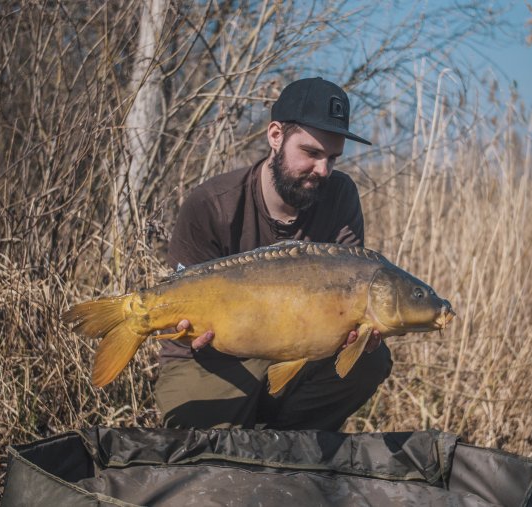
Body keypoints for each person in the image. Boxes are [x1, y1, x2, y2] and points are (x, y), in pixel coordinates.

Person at [154, 77, 392, 431]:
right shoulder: (212, 203)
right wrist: (186, 327)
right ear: (275, 135)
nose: (323, 171)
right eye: (311, 153)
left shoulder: (339, 196)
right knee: (208, 457)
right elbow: (181, 302)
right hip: (208, 359)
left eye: (333, 158)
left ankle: (289, 443)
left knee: (370, 361)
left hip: (297, 351)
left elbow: (349, 294)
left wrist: (360, 328)